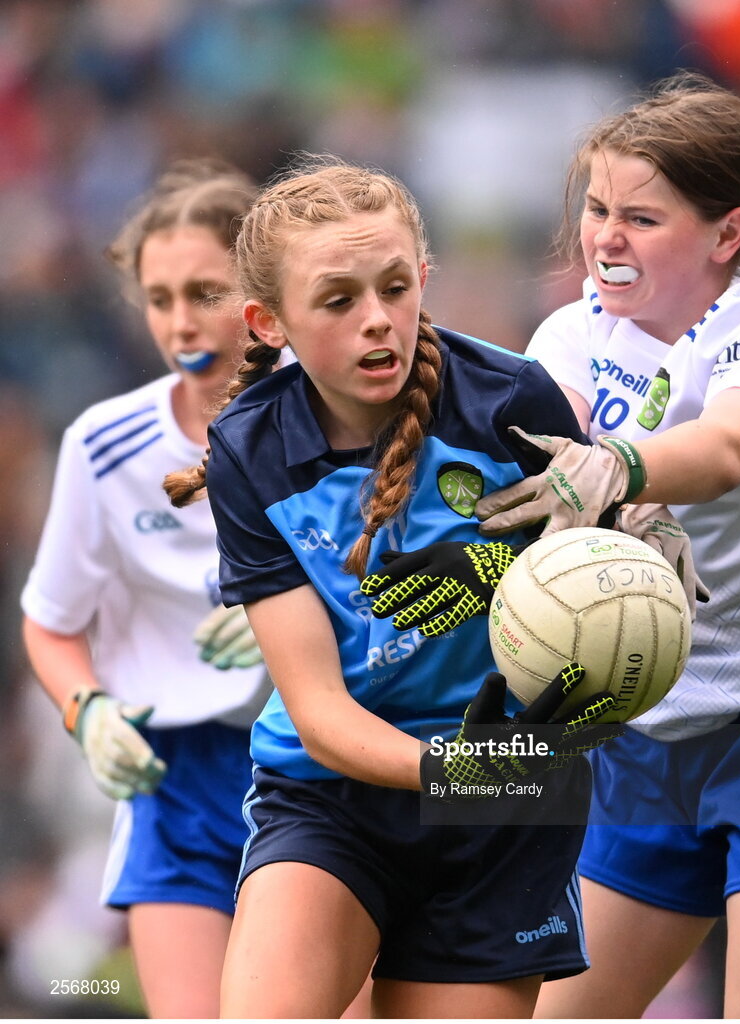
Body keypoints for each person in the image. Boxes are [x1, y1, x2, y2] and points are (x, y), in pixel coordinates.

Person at [368, 72, 740, 1019]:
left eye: (641, 219)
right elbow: (535, 468)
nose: (605, 237)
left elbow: (731, 445)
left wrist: (621, 466)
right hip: (640, 725)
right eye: (598, 209)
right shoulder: (570, 334)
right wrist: (460, 556)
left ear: (727, 234)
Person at [162, 157, 622, 1020]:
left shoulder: (511, 402)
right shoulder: (250, 452)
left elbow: (603, 599)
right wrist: (454, 770)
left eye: (397, 287)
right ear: (269, 323)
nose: (379, 321)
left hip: (508, 805)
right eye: (338, 301)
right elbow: (318, 714)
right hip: (334, 796)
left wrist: (599, 557)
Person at [20, 160, 272, 1019]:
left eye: (204, 292)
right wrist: (86, 711)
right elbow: (50, 622)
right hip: (177, 784)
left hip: (320, 766)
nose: (179, 321)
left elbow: (417, 600)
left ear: (260, 295)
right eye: (159, 297)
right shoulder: (104, 442)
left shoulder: (340, 426)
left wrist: (299, 617)